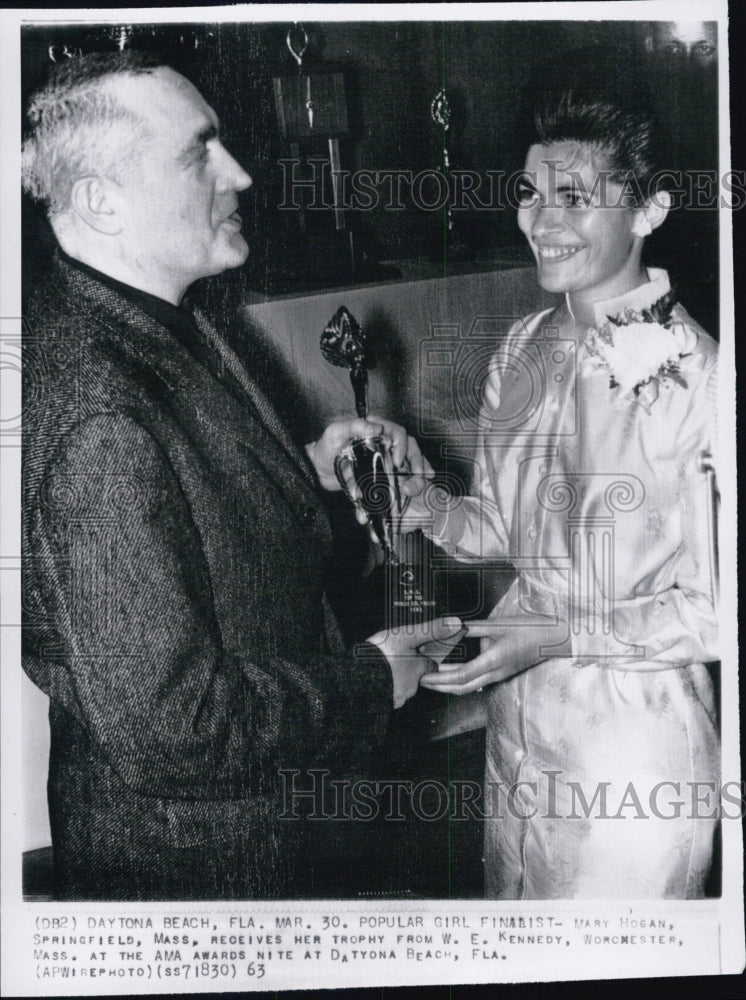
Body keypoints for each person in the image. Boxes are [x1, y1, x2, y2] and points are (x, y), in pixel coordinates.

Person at [20, 50, 459, 901]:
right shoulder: (95, 416)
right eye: (200, 152)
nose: (241, 174)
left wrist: (307, 466)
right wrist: (375, 678)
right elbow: (175, 730)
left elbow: (176, 495)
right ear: (102, 201)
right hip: (206, 865)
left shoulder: (142, 315)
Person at [409, 65, 720, 898]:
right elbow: (498, 527)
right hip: (519, 714)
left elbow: (718, 612)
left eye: (573, 197)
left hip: (633, 744)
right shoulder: (523, 345)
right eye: (529, 192)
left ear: (650, 210)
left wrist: (558, 635)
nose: (540, 221)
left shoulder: (701, 381)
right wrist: (421, 501)